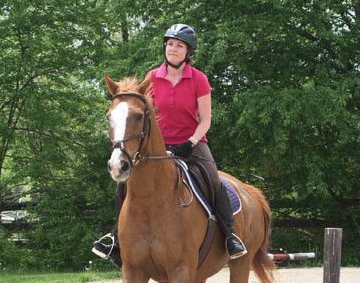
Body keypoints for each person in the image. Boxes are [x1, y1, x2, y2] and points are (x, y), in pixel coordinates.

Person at [93, 24, 247, 268]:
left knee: (214, 181)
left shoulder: (199, 80)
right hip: (158, 147)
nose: (173, 49)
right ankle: (115, 238)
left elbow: (205, 120)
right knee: (125, 185)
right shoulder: (152, 78)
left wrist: (191, 142)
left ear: (189, 52)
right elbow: (141, 115)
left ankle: (230, 236)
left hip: (193, 143)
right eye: (170, 44)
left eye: (179, 46)